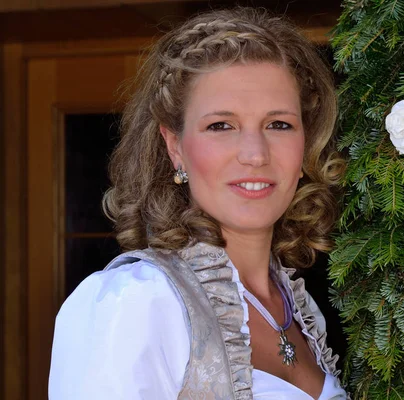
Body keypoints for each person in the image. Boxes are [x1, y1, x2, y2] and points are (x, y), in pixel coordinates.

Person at [48, 6, 347, 400]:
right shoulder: (137, 303)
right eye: (221, 125)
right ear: (175, 147)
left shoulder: (299, 309)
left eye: (279, 124)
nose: (255, 154)